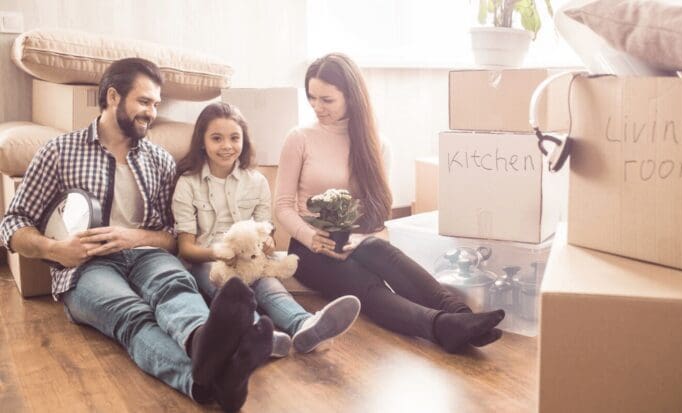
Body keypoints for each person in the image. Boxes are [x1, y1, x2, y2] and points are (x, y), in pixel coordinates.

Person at [0, 58, 269, 411]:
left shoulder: (159, 160)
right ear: (113, 96)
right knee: (133, 315)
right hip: (86, 268)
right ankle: (207, 382)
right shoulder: (59, 152)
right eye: (144, 102)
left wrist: (135, 238)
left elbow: (173, 235)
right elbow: (12, 223)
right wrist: (55, 249)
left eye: (156, 104)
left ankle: (203, 343)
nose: (151, 112)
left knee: (174, 288)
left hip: (147, 255)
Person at [275, 53, 505, 354]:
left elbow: (377, 209)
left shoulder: (376, 145)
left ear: (351, 97)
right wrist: (311, 238)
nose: (317, 107)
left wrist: (359, 239)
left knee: (379, 249)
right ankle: (440, 326)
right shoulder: (300, 138)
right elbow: (282, 206)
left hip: (354, 239)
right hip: (310, 250)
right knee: (363, 281)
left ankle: (461, 316)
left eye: (327, 100)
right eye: (312, 98)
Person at [172, 102, 361, 356]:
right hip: (209, 261)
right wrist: (221, 253)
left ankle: (305, 325)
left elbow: (265, 233)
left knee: (270, 287)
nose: (227, 146)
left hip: (252, 258)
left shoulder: (257, 181)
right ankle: (256, 334)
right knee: (232, 290)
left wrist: (267, 244)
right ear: (202, 142)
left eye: (234, 138)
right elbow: (186, 249)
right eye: (216, 138)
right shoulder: (188, 184)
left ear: (244, 140)